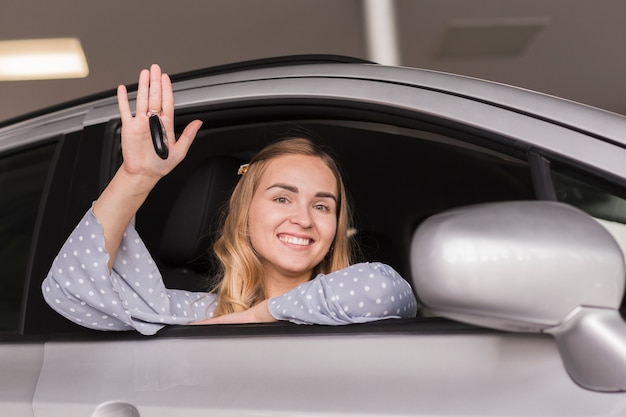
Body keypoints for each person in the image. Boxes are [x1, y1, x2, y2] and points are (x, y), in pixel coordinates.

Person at [42, 64, 418, 335]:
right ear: (245, 214)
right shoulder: (196, 312)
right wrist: (135, 177)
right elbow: (69, 290)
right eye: (282, 199)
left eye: (322, 206)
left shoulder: (355, 312)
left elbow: (382, 290)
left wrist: (258, 318)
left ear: (336, 227)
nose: (303, 218)